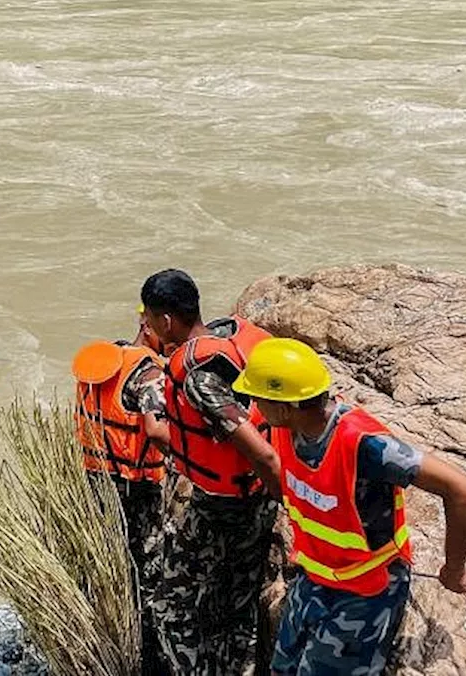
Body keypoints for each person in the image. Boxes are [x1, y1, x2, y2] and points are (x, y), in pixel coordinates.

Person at [233, 338, 466, 676]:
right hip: (317, 575)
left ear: (285, 406)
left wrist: (454, 569)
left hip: (367, 587)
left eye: (259, 398)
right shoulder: (286, 430)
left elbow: (463, 492)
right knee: (282, 668)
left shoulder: (363, 446)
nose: (254, 406)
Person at [140, 268, 281, 676]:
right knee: (237, 599)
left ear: (166, 321)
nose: (146, 325)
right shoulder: (231, 334)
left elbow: (263, 454)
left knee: (169, 608)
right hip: (251, 500)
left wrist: (285, 499)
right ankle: (239, 666)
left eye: (149, 317)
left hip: (224, 506)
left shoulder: (200, 377)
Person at [72, 330, 169, 676]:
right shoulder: (149, 374)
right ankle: (149, 658)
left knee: (111, 564)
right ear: (159, 324)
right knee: (148, 572)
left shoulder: (101, 357)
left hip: (96, 478)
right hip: (137, 487)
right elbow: (158, 430)